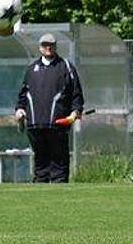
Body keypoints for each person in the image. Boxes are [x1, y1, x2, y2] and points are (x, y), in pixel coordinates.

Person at [15, 33, 84, 183]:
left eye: (51, 45)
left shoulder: (66, 67)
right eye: (45, 45)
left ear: (55, 46)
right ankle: (40, 187)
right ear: (40, 48)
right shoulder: (32, 69)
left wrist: (75, 111)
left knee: (59, 161)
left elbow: (76, 94)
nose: (48, 47)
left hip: (58, 124)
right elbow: (23, 94)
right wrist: (20, 109)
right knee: (40, 162)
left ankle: (59, 188)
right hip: (35, 124)